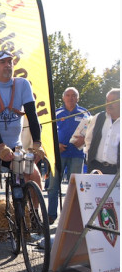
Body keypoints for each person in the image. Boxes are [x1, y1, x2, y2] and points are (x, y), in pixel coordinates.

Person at [0, 50, 45, 264]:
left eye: (10, 62)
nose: (8, 65)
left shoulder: (22, 85)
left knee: (34, 175)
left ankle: (32, 217)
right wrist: (0, 146)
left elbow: (32, 115)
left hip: (13, 146)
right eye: (3, 62)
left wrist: (38, 145)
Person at [47, 87, 90, 223]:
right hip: (59, 155)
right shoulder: (56, 113)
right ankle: (51, 216)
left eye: (73, 95)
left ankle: (70, 219)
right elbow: (48, 133)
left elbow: (92, 132)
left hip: (77, 155)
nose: (70, 98)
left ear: (78, 98)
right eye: (68, 95)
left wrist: (85, 139)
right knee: (53, 187)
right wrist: (56, 145)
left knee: (74, 188)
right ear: (63, 98)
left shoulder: (85, 113)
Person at [84, 88, 120, 175]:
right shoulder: (98, 117)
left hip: (116, 171)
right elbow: (88, 139)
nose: (109, 104)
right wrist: (90, 158)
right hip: (95, 167)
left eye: (113, 101)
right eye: (107, 100)